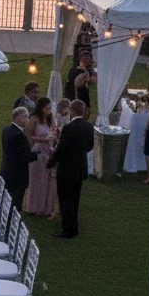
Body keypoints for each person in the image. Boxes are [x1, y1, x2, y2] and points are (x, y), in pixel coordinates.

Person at [48, 99, 94, 239]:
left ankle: (68, 230)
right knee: (75, 198)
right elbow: (90, 145)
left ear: (71, 111)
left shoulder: (68, 128)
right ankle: (73, 228)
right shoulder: (88, 126)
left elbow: (61, 149)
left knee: (65, 199)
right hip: (80, 168)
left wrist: (52, 161)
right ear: (83, 111)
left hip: (67, 169)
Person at [0, 107, 38, 211]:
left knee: (7, 203)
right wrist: (37, 154)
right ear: (21, 118)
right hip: (17, 176)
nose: (28, 120)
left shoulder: (6, 130)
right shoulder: (18, 135)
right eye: (27, 118)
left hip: (6, 170)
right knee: (15, 205)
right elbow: (25, 157)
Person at [23, 98, 57, 217]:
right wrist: (44, 139)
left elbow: (55, 130)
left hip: (48, 150)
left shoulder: (50, 118)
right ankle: (33, 206)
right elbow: (30, 137)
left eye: (50, 108)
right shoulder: (34, 119)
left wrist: (53, 136)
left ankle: (45, 207)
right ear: (41, 108)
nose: (49, 110)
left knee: (47, 178)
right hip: (38, 150)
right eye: (47, 108)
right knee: (36, 178)